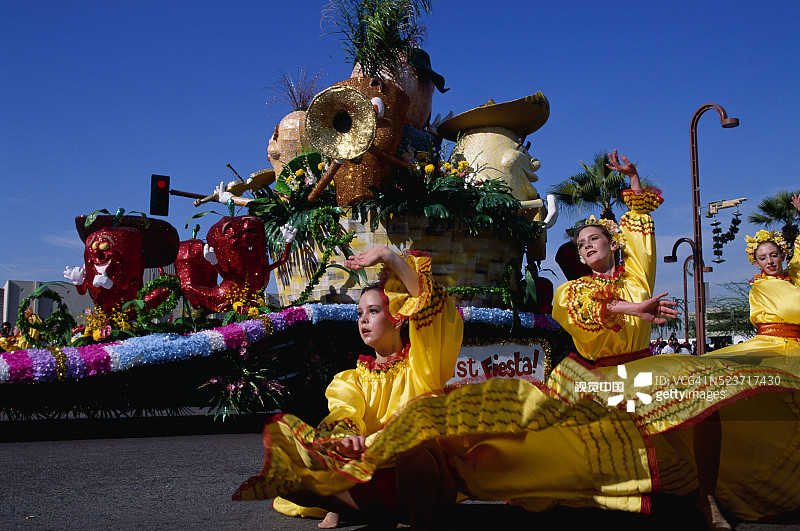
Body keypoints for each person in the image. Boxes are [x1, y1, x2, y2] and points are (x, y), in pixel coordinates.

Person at [235, 245, 463, 530]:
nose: (363, 319)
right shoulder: (351, 379)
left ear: (399, 317)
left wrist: (389, 257)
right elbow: (344, 412)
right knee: (289, 479)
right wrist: (346, 438)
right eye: (359, 313)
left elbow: (430, 303)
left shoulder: (423, 365)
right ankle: (344, 508)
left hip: (425, 486)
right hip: (373, 490)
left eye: (374, 311)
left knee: (411, 445)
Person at [706, 192, 800, 372]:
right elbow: (794, 307)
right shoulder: (761, 287)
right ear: (756, 263)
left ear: (783, 255)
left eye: (774, 255)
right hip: (773, 347)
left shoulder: (793, 275)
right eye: (763, 258)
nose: (770, 262)